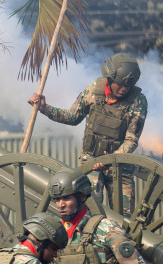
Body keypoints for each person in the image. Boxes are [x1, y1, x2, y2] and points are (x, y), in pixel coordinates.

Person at [28, 53, 147, 212]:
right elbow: (72, 117)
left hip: (119, 165)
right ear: (110, 78)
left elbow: (131, 140)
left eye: (128, 85)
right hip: (91, 161)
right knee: (90, 211)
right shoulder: (92, 91)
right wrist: (45, 108)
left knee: (124, 217)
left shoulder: (138, 101)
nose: (124, 89)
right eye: (120, 84)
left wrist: (110, 160)